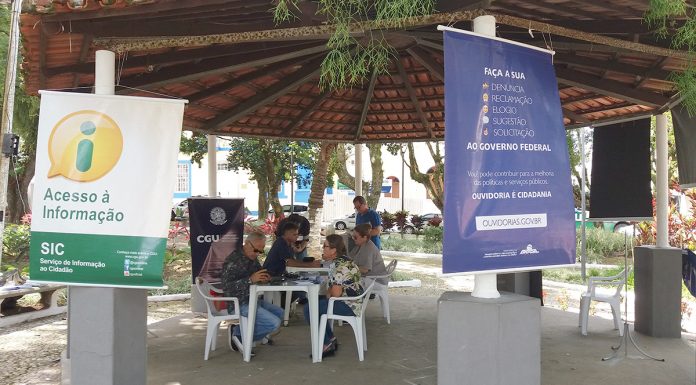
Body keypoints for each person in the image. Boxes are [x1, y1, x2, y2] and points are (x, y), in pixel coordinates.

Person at [220, 232, 283, 354]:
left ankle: (239, 331)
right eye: (256, 250)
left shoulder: (252, 258)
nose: (257, 254)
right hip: (238, 303)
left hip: (252, 300)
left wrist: (266, 277)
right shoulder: (233, 261)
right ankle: (239, 337)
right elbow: (227, 287)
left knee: (280, 313)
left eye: (261, 251)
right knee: (274, 323)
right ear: (247, 244)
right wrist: (250, 280)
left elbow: (260, 273)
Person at [304, 234, 364, 358]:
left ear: (333, 250)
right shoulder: (343, 261)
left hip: (349, 305)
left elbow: (335, 294)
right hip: (353, 302)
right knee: (315, 305)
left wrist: (329, 291)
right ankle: (330, 339)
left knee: (309, 308)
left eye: (325, 246)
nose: (322, 249)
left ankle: (325, 344)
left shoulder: (340, 266)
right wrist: (329, 291)